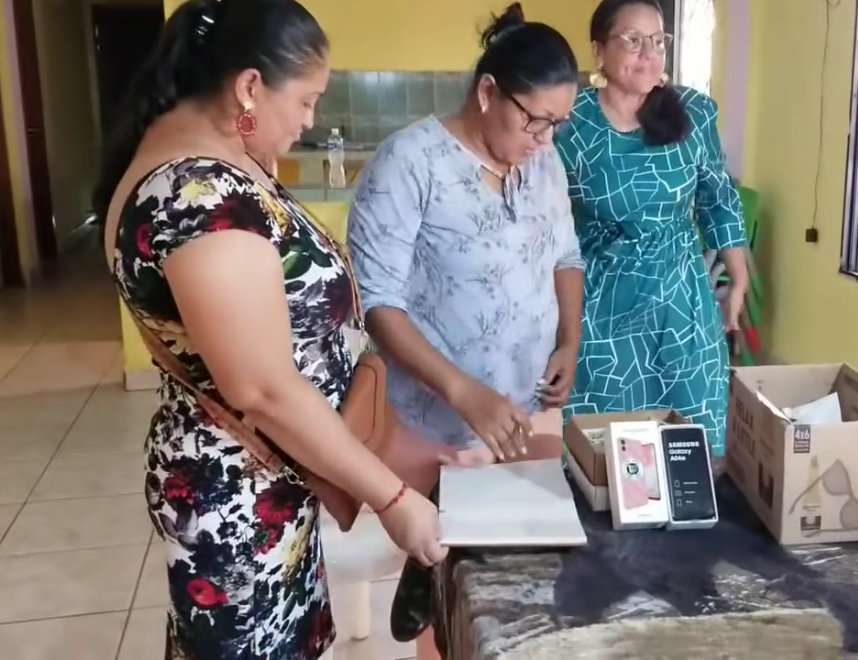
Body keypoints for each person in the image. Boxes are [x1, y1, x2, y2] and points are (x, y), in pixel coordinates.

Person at [93, 1, 446, 657]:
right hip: (238, 499)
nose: (310, 120)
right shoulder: (198, 196)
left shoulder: (214, 163)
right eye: (307, 100)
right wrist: (393, 498)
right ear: (250, 87)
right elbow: (261, 389)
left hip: (268, 481)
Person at [347, 3, 584, 467]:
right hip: (428, 426)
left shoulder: (544, 163)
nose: (545, 138)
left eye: (558, 123)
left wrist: (569, 342)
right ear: (487, 92)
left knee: (530, 515)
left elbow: (566, 256)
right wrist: (463, 392)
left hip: (525, 416)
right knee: (432, 517)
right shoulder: (411, 162)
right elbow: (375, 300)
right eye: (536, 119)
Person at [554, 0, 750, 455]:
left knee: (689, 434)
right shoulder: (570, 123)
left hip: (680, 296)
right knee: (603, 440)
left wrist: (737, 279)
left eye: (658, 41)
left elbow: (717, 199)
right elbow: (543, 218)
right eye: (633, 40)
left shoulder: (694, 112)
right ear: (598, 49)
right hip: (601, 299)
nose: (649, 53)